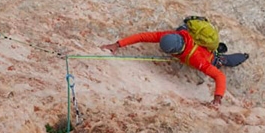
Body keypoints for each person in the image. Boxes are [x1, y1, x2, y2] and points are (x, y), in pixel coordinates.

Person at [101, 27, 248, 109]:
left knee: (224, 61)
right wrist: (117, 44)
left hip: (208, 57)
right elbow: (143, 36)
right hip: (188, 37)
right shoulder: (174, 34)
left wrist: (217, 100)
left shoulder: (196, 59)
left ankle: (244, 56)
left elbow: (220, 76)